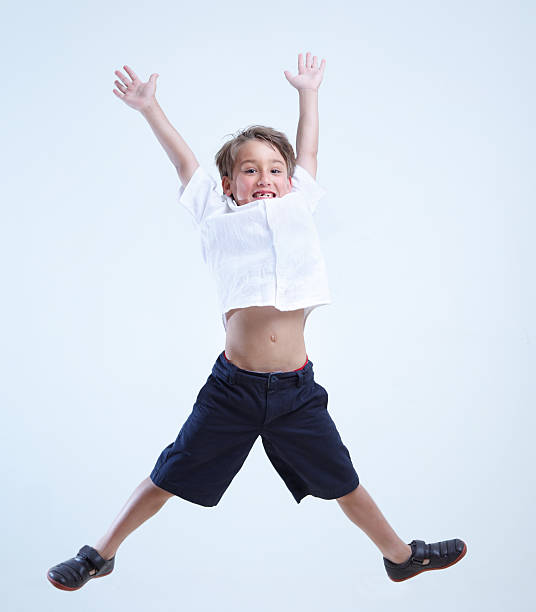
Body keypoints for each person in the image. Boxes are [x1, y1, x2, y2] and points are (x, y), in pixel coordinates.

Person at [46, 52, 466, 591]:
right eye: (249, 170)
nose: (264, 178)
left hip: (295, 391)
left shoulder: (299, 205)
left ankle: (401, 555)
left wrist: (307, 93)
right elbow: (183, 162)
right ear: (229, 183)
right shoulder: (215, 215)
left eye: (274, 170)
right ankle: (98, 553)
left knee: (343, 480)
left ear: (291, 181)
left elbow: (308, 147)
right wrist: (150, 108)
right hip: (233, 390)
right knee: (167, 474)